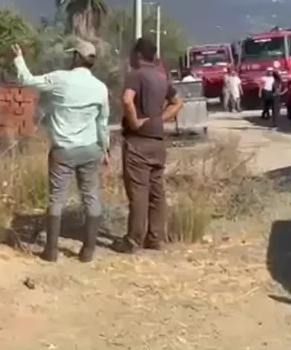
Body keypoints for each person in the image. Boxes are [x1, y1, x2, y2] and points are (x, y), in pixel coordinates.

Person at [12, 39, 109, 262]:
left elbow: (27, 80)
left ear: (76, 57)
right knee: (91, 197)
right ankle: (88, 251)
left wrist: (18, 58)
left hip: (63, 150)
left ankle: (52, 251)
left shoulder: (60, 79)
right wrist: (104, 150)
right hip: (90, 150)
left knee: (56, 198)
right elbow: (102, 124)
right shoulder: (100, 88)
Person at [114, 37, 184, 254]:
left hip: (138, 142)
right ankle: (155, 238)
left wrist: (134, 122)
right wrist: (160, 120)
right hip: (158, 142)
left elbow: (127, 100)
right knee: (157, 191)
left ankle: (133, 240)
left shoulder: (136, 75)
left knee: (138, 192)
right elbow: (178, 102)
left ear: (137, 55)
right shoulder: (161, 77)